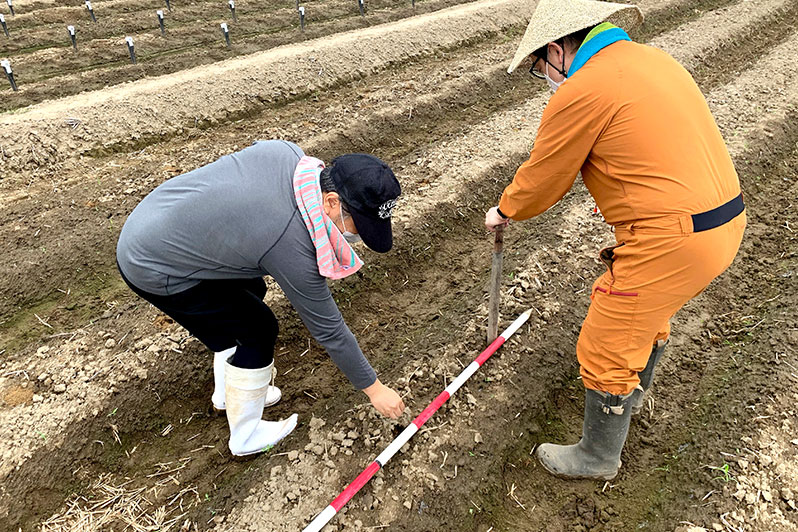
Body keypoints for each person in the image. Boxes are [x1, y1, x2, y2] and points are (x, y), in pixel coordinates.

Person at [485, 0, 745, 480]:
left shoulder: (585, 88)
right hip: (724, 222)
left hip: (673, 237)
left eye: (539, 66)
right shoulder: (653, 60)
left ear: (559, 48)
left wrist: (505, 209)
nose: (543, 76)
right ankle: (631, 398)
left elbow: (546, 173)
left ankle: (597, 456)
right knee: (646, 315)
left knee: (610, 332)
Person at [117, 140, 406, 457]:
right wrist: (375, 390)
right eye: (359, 226)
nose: (357, 236)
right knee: (257, 329)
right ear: (333, 202)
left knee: (251, 290)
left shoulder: (288, 155)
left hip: (156, 218)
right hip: (153, 265)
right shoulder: (289, 243)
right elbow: (330, 331)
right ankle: (246, 435)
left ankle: (231, 392)